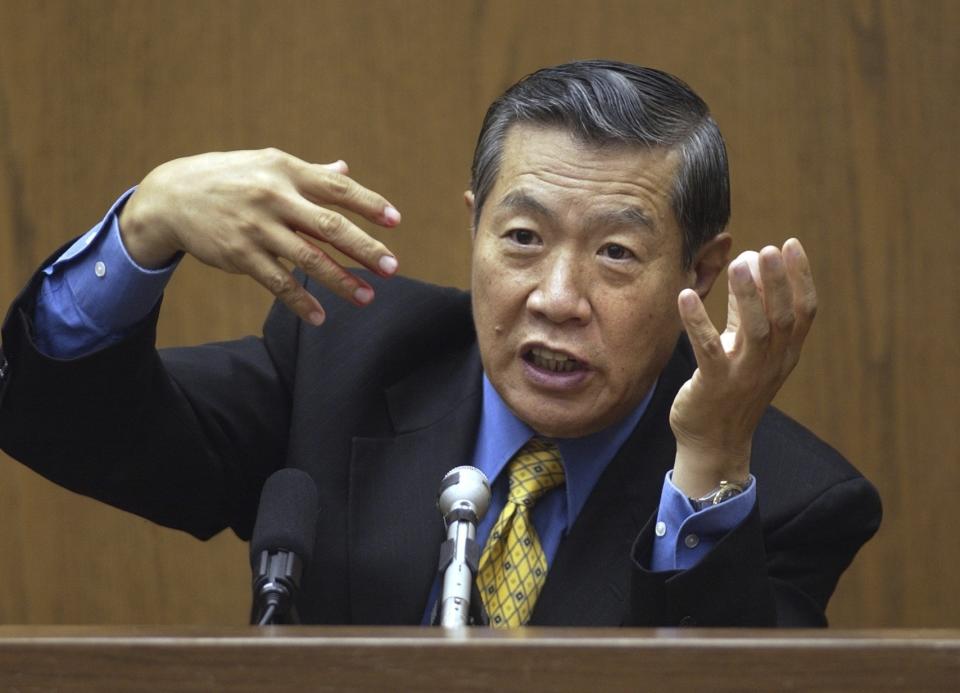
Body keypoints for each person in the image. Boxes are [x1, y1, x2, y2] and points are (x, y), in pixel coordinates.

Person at [0, 60, 880, 627]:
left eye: (616, 252)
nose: (557, 297)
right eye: (523, 237)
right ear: (475, 228)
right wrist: (144, 226)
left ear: (703, 267)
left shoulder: (788, 498)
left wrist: (712, 462)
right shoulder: (344, 360)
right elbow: (63, 420)